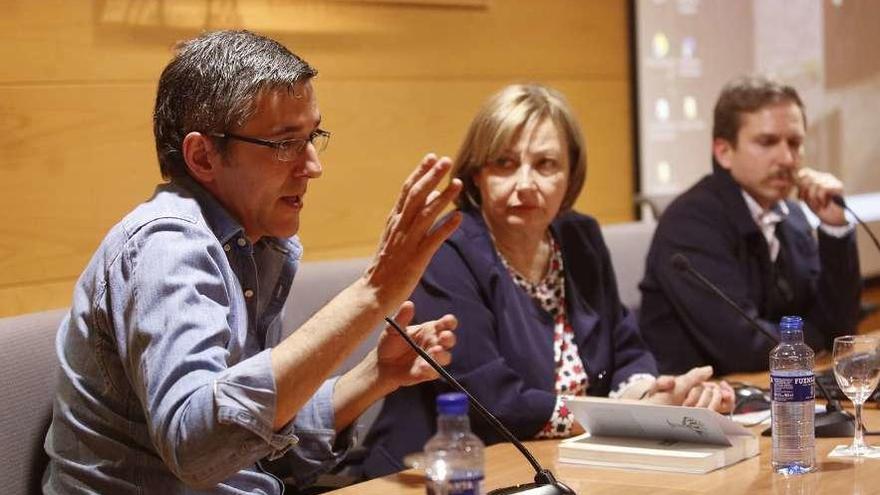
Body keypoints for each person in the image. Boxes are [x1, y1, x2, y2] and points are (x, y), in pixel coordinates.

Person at [43, 30, 464, 494]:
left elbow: (252, 445)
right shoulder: (166, 247)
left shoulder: (253, 246)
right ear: (203, 155)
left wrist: (373, 376)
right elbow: (198, 447)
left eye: (313, 137)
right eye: (284, 143)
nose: (312, 166)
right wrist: (372, 293)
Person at [358, 83, 734, 478]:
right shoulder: (446, 248)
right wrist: (629, 417)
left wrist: (652, 394)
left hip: (563, 467)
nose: (525, 184)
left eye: (545, 165)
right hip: (442, 474)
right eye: (504, 163)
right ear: (477, 176)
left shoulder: (579, 238)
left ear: (570, 176)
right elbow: (493, 402)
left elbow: (625, 349)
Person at [639, 75, 862, 375]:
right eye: (767, 142)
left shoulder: (792, 215)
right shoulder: (689, 223)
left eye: (795, 143)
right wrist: (818, 335)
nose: (786, 158)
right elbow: (745, 347)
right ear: (724, 152)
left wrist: (835, 229)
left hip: (770, 390)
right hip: (702, 407)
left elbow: (840, 327)